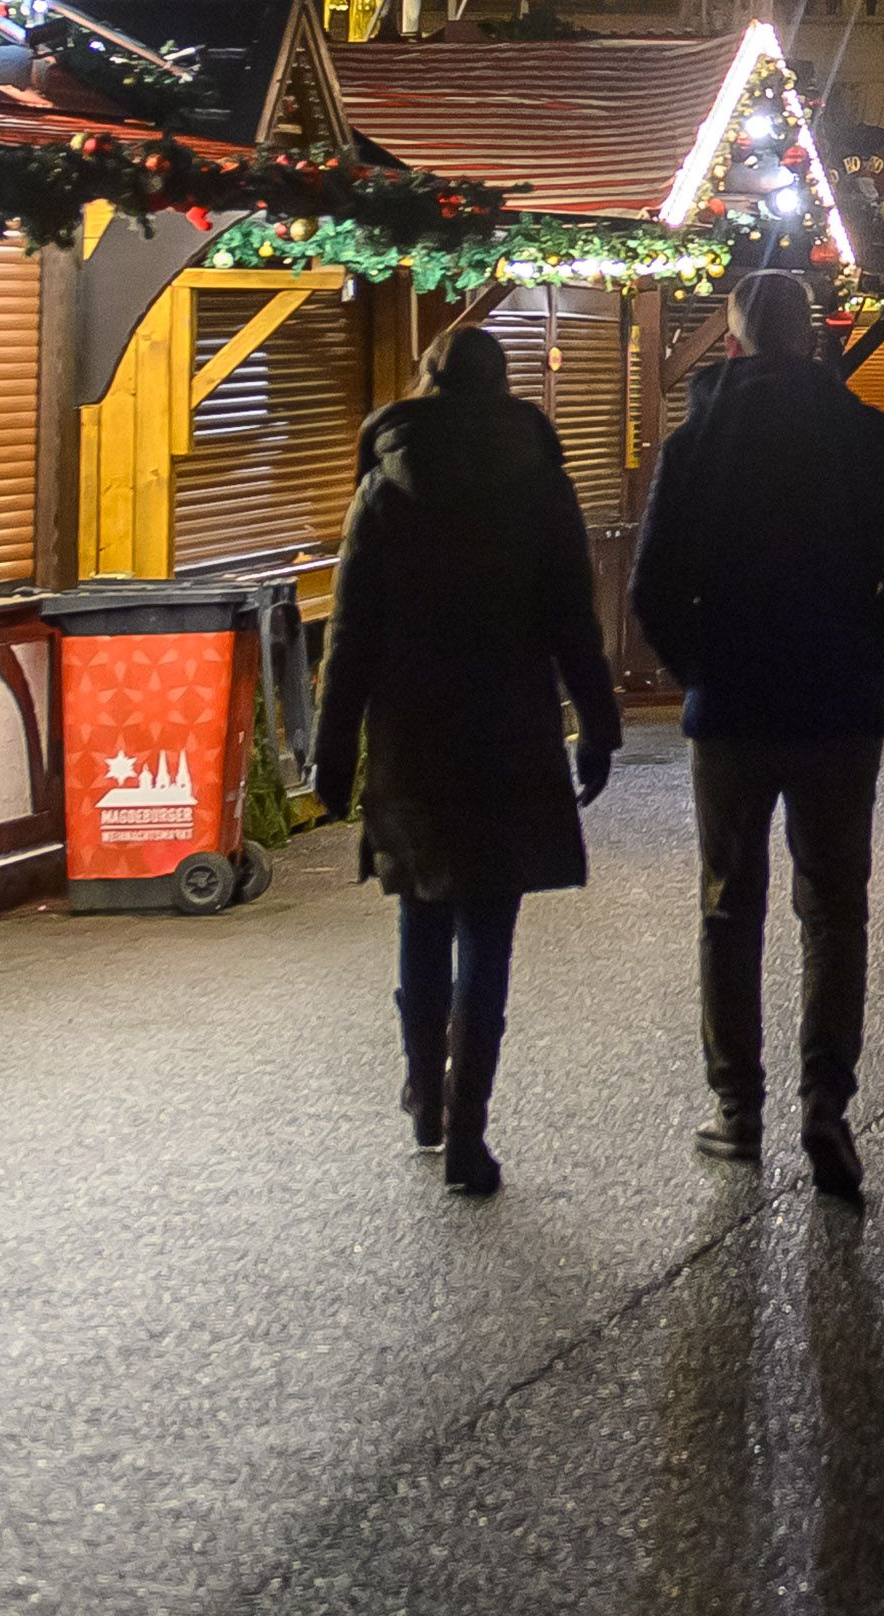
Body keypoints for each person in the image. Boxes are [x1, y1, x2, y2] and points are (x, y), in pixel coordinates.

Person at [626, 265, 884, 1201]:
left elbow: (652, 586)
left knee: (730, 910)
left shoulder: (700, 441)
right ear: (814, 337)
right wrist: (872, 665)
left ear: (734, 341)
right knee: (834, 909)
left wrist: (702, 668)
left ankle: (737, 1108)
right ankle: (826, 1107)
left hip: (732, 711)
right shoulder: (864, 433)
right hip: (839, 709)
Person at [310, 323, 622, 1199]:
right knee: (491, 932)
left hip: (413, 731)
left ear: (428, 382)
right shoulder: (541, 484)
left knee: (421, 914)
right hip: (511, 731)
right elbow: (574, 623)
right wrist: (598, 728)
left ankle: (425, 1094)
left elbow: (351, 634)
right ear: (502, 384)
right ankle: (470, 1133)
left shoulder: (385, 485)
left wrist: (333, 759)